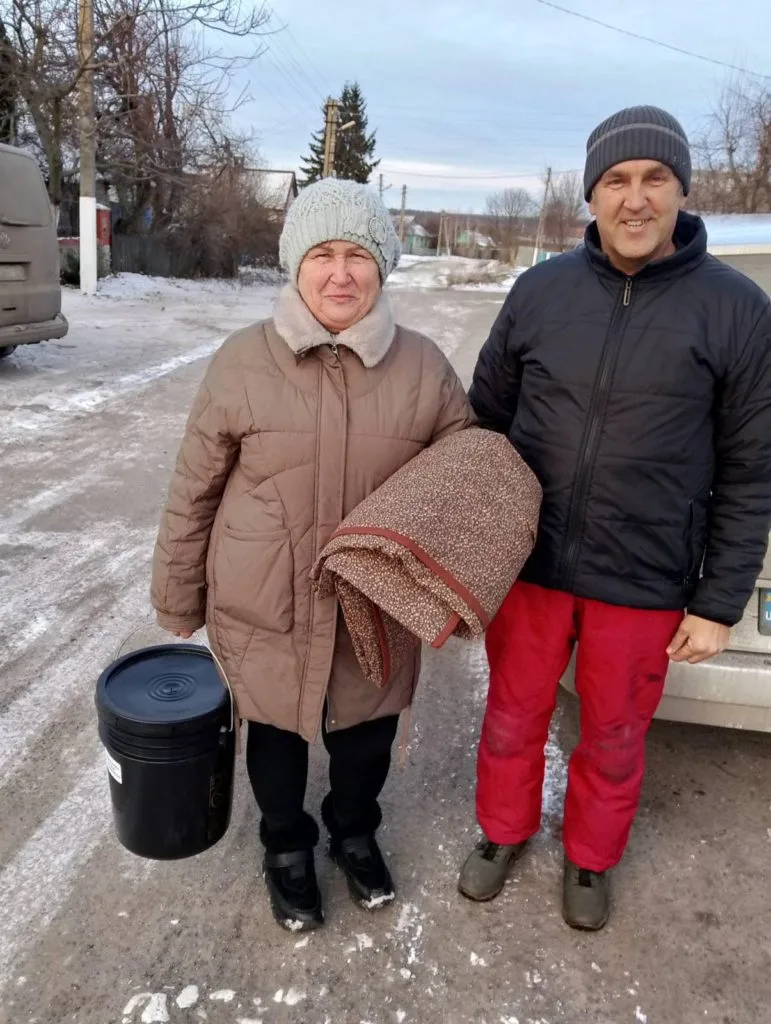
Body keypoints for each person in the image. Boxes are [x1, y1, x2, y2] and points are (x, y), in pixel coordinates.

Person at [458, 106, 771, 930]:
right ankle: (501, 833)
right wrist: (465, 545)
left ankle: (591, 859)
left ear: (680, 190)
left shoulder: (735, 309)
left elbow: (749, 466)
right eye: (615, 180)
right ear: (590, 195)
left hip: (644, 577)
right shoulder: (540, 291)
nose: (635, 199)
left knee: (615, 734)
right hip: (530, 566)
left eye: (654, 178)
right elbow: (481, 426)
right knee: (512, 715)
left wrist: (715, 601)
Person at [151, 179, 473, 932]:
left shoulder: (423, 368)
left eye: (356, 255)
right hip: (266, 596)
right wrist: (177, 594)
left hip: (374, 603)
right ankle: (285, 845)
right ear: (294, 265)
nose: (339, 273)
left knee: (365, 739)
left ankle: (354, 831)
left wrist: (457, 581)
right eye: (322, 254)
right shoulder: (241, 362)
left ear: (381, 266)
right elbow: (193, 487)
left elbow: (466, 475)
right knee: (276, 735)